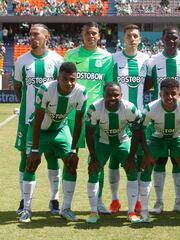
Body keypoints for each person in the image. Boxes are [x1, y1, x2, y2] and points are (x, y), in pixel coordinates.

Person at [19, 62, 87, 223]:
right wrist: (35, 150)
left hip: (60, 130)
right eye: (65, 79)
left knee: (71, 163)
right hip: (39, 130)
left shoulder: (81, 91)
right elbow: (38, 119)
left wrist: (73, 149)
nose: (69, 83)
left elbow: (78, 122)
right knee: (31, 164)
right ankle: (26, 209)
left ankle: (66, 209)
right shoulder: (45, 89)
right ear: (58, 78)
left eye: (72, 79)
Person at [13, 24, 63, 216]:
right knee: (26, 158)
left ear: (46, 37)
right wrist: (28, 105)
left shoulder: (57, 60)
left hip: (52, 120)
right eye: (30, 34)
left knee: (52, 156)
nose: (32, 37)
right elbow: (18, 87)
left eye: (36, 34)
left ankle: (54, 198)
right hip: (28, 121)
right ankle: (25, 201)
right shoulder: (21, 61)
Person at [64, 22, 114, 214]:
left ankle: (98, 202)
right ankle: (66, 205)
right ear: (81, 35)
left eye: (94, 33)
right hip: (72, 115)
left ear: (99, 36)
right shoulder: (70, 55)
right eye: (88, 33)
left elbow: (108, 87)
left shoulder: (107, 57)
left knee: (97, 159)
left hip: (97, 116)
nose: (91, 36)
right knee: (70, 157)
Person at [138, 78, 180, 223]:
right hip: (157, 138)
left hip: (177, 138)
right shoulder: (151, 108)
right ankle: (145, 212)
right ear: (160, 94)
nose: (170, 97)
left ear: (179, 93)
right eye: (166, 94)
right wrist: (147, 153)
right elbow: (141, 129)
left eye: (173, 93)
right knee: (147, 167)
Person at [146, 26, 180, 215]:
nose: (171, 41)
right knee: (159, 161)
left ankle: (179, 202)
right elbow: (147, 85)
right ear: (162, 39)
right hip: (159, 117)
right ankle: (158, 203)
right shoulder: (153, 61)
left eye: (175, 38)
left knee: (178, 161)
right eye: (168, 38)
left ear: (179, 39)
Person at [85, 82, 142, 224]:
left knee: (132, 170)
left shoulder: (130, 108)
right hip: (101, 143)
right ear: (103, 95)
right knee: (93, 171)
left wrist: (130, 156)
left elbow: (137, 133)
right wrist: (93, 156)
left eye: (116, 95)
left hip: (122, 142)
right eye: (109, 95)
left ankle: (131, 212)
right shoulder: (94, 109)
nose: (112, 98)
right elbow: (89, 133)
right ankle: (93, 212)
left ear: (121, 95)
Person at [108, 24, 149, 214]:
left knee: (139, 161)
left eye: (135, 36)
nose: (132, 39)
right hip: (117, 118)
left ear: (140, 39)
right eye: (129, 36)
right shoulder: (113, 60)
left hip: (139, 119)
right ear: (123, 39)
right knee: (115, 161)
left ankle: (138, 200)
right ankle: (115, 200)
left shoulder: (146, 61)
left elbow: (150, 84)